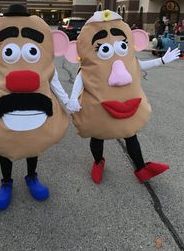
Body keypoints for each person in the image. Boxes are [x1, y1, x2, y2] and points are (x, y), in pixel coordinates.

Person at [0, 4, 72, 210]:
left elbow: (55, 83)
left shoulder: (44, 66)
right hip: (5, 110)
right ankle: (6, 182)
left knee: (33, 141)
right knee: (5, 145)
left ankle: (31, 176)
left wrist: (67, 103)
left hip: (36, 110)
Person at [66, 10, 180, 184]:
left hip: (125, 104)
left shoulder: (128, 60)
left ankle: (141, 168)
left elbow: (139, 64)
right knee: (98, 135)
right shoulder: (90, 66)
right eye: (103, 47)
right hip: (100, 106)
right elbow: (81, 78)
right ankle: (98, 162)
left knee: (130, 133)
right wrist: (73, 98)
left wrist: (162, 60)